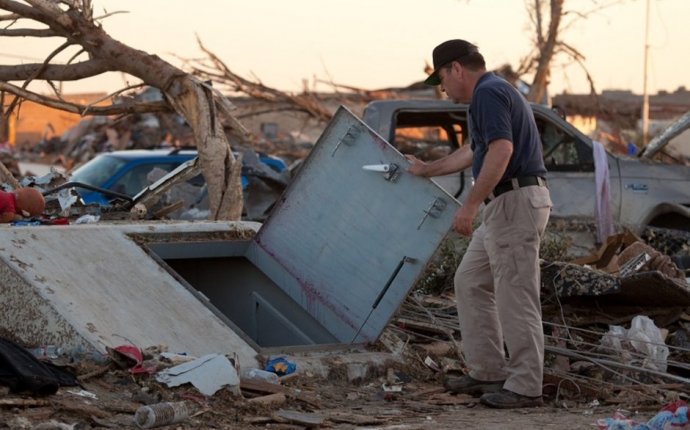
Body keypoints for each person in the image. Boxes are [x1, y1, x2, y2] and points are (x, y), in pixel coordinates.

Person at [406, 39, 552, 408]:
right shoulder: (488, 96)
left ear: (457, 68)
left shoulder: (488, 93)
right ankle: (487, 371)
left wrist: (468, 206)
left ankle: (525, 386)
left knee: (515, 295)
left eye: (441, 77)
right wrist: (427, 170)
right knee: (469, 281)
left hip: (514, 202)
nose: (442, 88)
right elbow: (475, 151)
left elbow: (502, 150)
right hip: (503, 205)